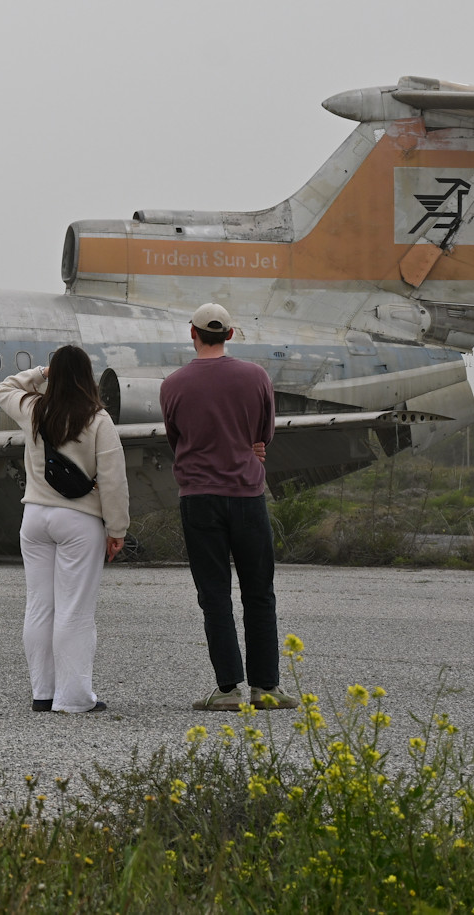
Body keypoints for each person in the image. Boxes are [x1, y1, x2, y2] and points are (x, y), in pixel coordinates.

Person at [158, 303, 290, 711]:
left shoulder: (173, 385)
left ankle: (228, 688)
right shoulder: (256, 377)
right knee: (259, 593)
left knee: (214, 594)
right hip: (248, 495)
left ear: (192, 332)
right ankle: (266, 687)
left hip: (199, 498)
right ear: (231, 334)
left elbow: (176, 440)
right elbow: (264, 433)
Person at [0, 345, 129, 714]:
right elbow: (114, 481)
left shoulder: (35, 409)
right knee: (75, 611)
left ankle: (43, 692)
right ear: (88, 377)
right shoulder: (98, 420)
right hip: (79, 521)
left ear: (56, 374)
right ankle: (73, 699)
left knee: (39, 605)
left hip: (35, 517)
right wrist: (117, 529)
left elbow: (4, 388)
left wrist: (42, 372)